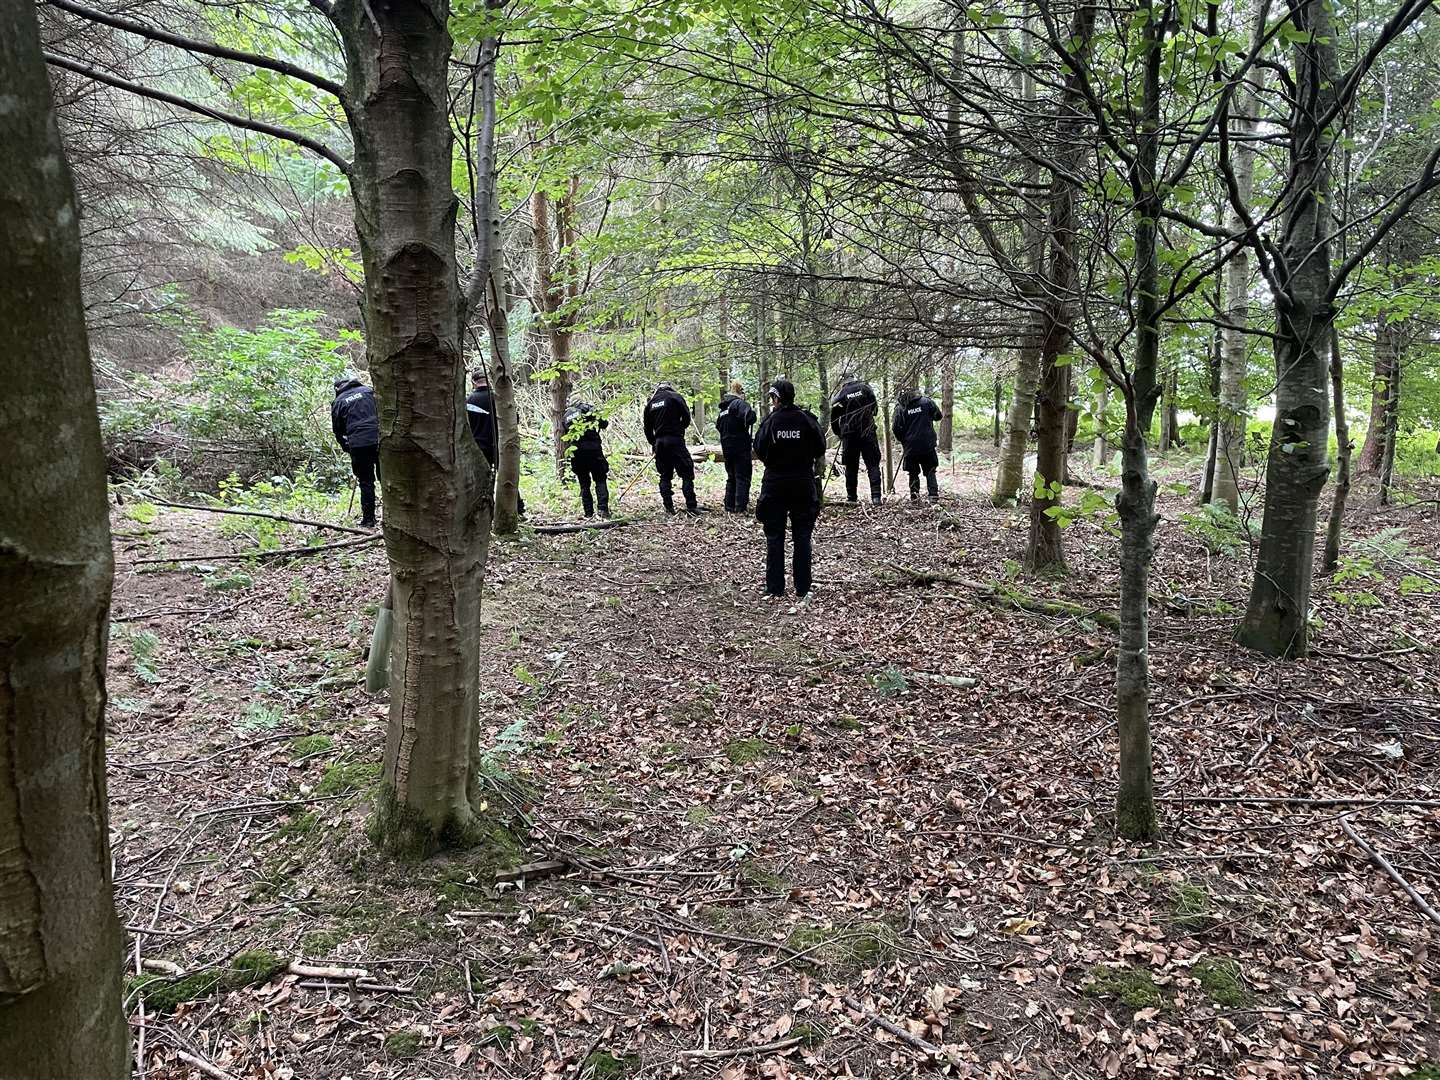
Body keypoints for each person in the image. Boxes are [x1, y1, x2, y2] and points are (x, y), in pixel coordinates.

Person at [753, 377, 826, 601]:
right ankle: (802, 587)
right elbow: (820, 446)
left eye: (773, 398)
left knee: (775, 535)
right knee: (802, 535)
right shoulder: (807, 420)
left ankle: (775, 587)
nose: (772, 402)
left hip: (775, 483)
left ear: (777, 398)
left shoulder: (770, 422)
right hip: (802, 482)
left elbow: (759, 448)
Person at [466, 369, 524, 515]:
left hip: (479, 447)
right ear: (488, 380)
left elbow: (464, 426)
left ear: (473, 382)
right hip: (500, 445)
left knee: (481, 482)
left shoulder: (468, 401)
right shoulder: (499, 398)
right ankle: (517, 508)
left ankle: (485, 512)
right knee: (507, 478)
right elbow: (514, 420)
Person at [331, 373, 380, 527]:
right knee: (387, 479)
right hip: (380, 440)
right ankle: (395, 517)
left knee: (366, 482)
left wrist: (348, 448)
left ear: (337, 389)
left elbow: (338, 431)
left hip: (359, 445)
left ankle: (369, 520)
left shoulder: (338, 402)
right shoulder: (369, 391)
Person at [643, 381, 698, 514]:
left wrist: (653, 443)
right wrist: (679, 429)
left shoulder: (650, 404)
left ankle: (668, 507)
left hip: (660, 443)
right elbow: (686, 417)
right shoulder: (675, 397)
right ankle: (691, 506)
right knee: (687, 473)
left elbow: (647, 428)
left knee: (665, 475)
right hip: (675, 440)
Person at [829, 371, 883, 505]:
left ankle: (851, 497)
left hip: (849, 435)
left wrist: (839, 433)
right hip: (868, 432)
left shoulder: (840, 395)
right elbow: (875, 409)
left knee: (851, 466)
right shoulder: (865, 389)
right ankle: (876, 497)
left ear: (843, 382)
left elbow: (834, 418)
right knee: (873, 464)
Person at [892, 386, 944, 501]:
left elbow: (895, 428)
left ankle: (914, 497)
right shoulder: (927, 402)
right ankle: (933, 496)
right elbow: (938, 416)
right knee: (930, 471)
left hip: (911, 446)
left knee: (913, 472)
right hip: (927, 444)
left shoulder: (900, 408)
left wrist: (904, 440)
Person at [563, 399, 610, 518]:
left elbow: (566, 433)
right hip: (593, 449)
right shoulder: (589, 409)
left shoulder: (567, 415)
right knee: (600, 479)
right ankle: (603, 510)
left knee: (584, 483)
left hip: (577, 452)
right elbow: (604, 423)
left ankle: (588, 513)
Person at [715, 380, 757, 512]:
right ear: (741, 392)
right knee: (742, 476)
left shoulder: (723, 410)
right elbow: (750, 417)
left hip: (727, 447)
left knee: (731, 477)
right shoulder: (739, 403)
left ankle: (729, 506)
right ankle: (740, 508)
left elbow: (718, 426)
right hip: (740, 446)